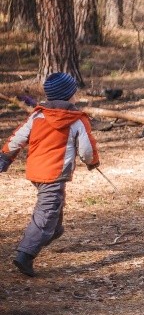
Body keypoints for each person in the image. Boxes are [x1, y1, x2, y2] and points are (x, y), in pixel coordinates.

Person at [0, 72, 100, 277]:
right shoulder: (76, 120)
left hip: (36, 171)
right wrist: (92, 162)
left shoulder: (37, 115)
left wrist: (5, 156)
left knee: (54, 207)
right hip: (54, 173)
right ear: (70, 95)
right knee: (46, 214)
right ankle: (25, 254)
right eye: (74, 92)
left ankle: (53, 230)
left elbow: (18, 137)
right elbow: (87, 150)